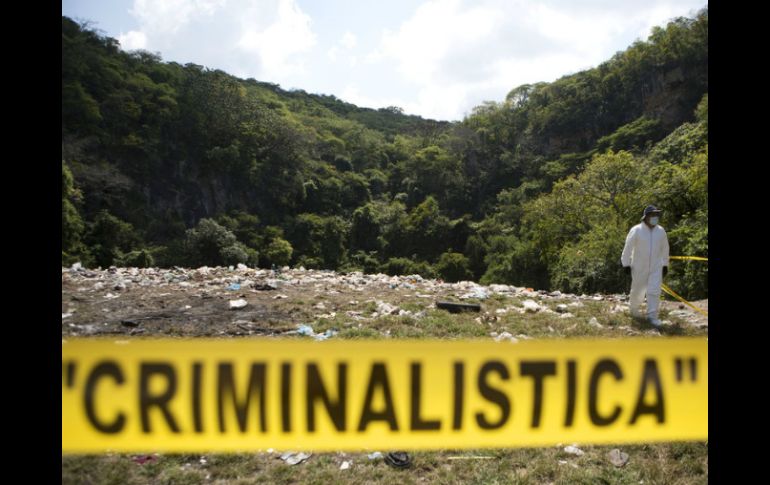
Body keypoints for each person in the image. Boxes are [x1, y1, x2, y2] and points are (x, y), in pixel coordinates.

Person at [621, 205, 669, 327]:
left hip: (656, 267)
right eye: (653, 215)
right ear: (646, 217)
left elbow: (665, 249)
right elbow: (628, 247)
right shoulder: (636, 230)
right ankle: (634, 311)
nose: (655, 217)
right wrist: (625, 264)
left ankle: (652, 317)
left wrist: (665, 264)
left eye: (657, 215)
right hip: (638, 266)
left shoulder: (661, 231)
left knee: (654, 291)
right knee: (638, 290)